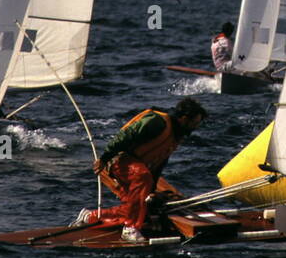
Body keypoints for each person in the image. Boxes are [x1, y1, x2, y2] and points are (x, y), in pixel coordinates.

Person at [88, 97, 207, 243]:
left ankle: (90, 216)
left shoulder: (176, 136)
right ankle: (130, 227)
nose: (195, 128)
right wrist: (105, 158)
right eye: (194, 123)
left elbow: (160, 162)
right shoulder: (158, 122)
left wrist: (151, 190)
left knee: (141, 208)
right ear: (183, 119)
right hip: (119, 160)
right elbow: (126, 136)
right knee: (142, 176)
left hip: (137, 167)